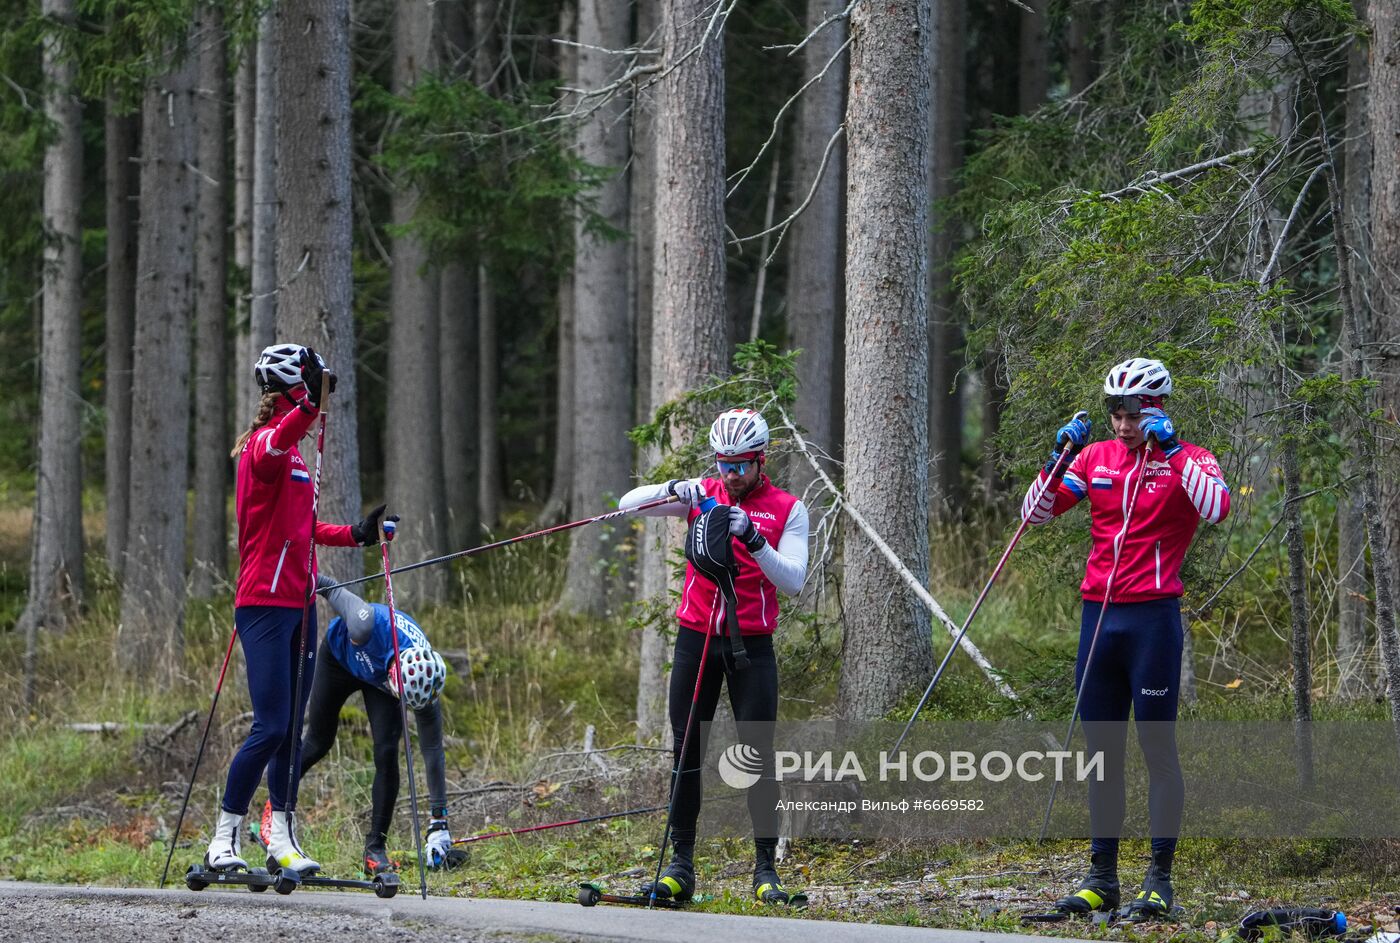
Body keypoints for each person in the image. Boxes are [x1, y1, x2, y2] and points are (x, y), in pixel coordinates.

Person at [1020, 357, 1231, 919]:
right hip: (1099, 620)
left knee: (1157, 751)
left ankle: (1159, 881)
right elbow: (1034, 515)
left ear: (1156, 407)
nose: (1122, 421)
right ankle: (1101, 879)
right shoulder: (1096, 457)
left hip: (1152, 621)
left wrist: (1176, 451)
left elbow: (1217, 509)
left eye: (1133, 410)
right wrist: (1059, 457)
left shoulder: (1191, 460)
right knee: (1101, 754)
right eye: (1115, 409)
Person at [204, 343, 397, 875]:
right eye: (313, 390)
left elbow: (305, 531)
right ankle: (224, 840)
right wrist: (309, 403)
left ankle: (282, 840)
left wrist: (358, 533)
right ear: (294, 392)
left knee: (291, 729)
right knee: (268, 726)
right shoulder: (263, 447)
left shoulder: (294, 459)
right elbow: (284, 433)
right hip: (262, 605)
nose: (320, 405)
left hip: (300, 604)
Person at [618, 408, 809, 904]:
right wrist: (675, 488)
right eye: (725, 463)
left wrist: (753, 538)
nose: (732, 474)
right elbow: (626, 504)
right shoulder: (705, 494)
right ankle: (680, 867)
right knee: (687, 750)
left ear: (761, 460)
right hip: (696, 639)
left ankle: (766, 870)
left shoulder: (787, 508)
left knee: (757, 753)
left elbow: (793, 580)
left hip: (753, 648)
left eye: (742, 464)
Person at [282, 573, 463, 874]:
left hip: (379, 681)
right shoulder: (364, 623)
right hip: (339, 659)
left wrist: (439, 822)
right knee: (318, 740)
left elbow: (432, 750)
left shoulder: (424, 681)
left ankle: (374, 848)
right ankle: (276, 813)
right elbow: (328, 585)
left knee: (387, 752)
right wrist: (305, 578)